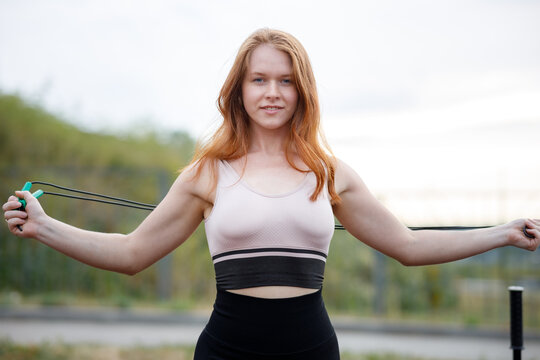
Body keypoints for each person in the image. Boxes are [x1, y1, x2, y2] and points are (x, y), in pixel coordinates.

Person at [3, 28, 539, 360]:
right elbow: (131, 254)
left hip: (311, 348)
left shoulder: (331, 174)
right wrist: (44, 225)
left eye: (285, 81)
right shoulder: (206, 174)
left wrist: (504, 232)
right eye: (259, 80)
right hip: (227, 349)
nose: (273, 93)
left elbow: (409, 246)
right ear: (239, 89)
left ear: (301, 91)